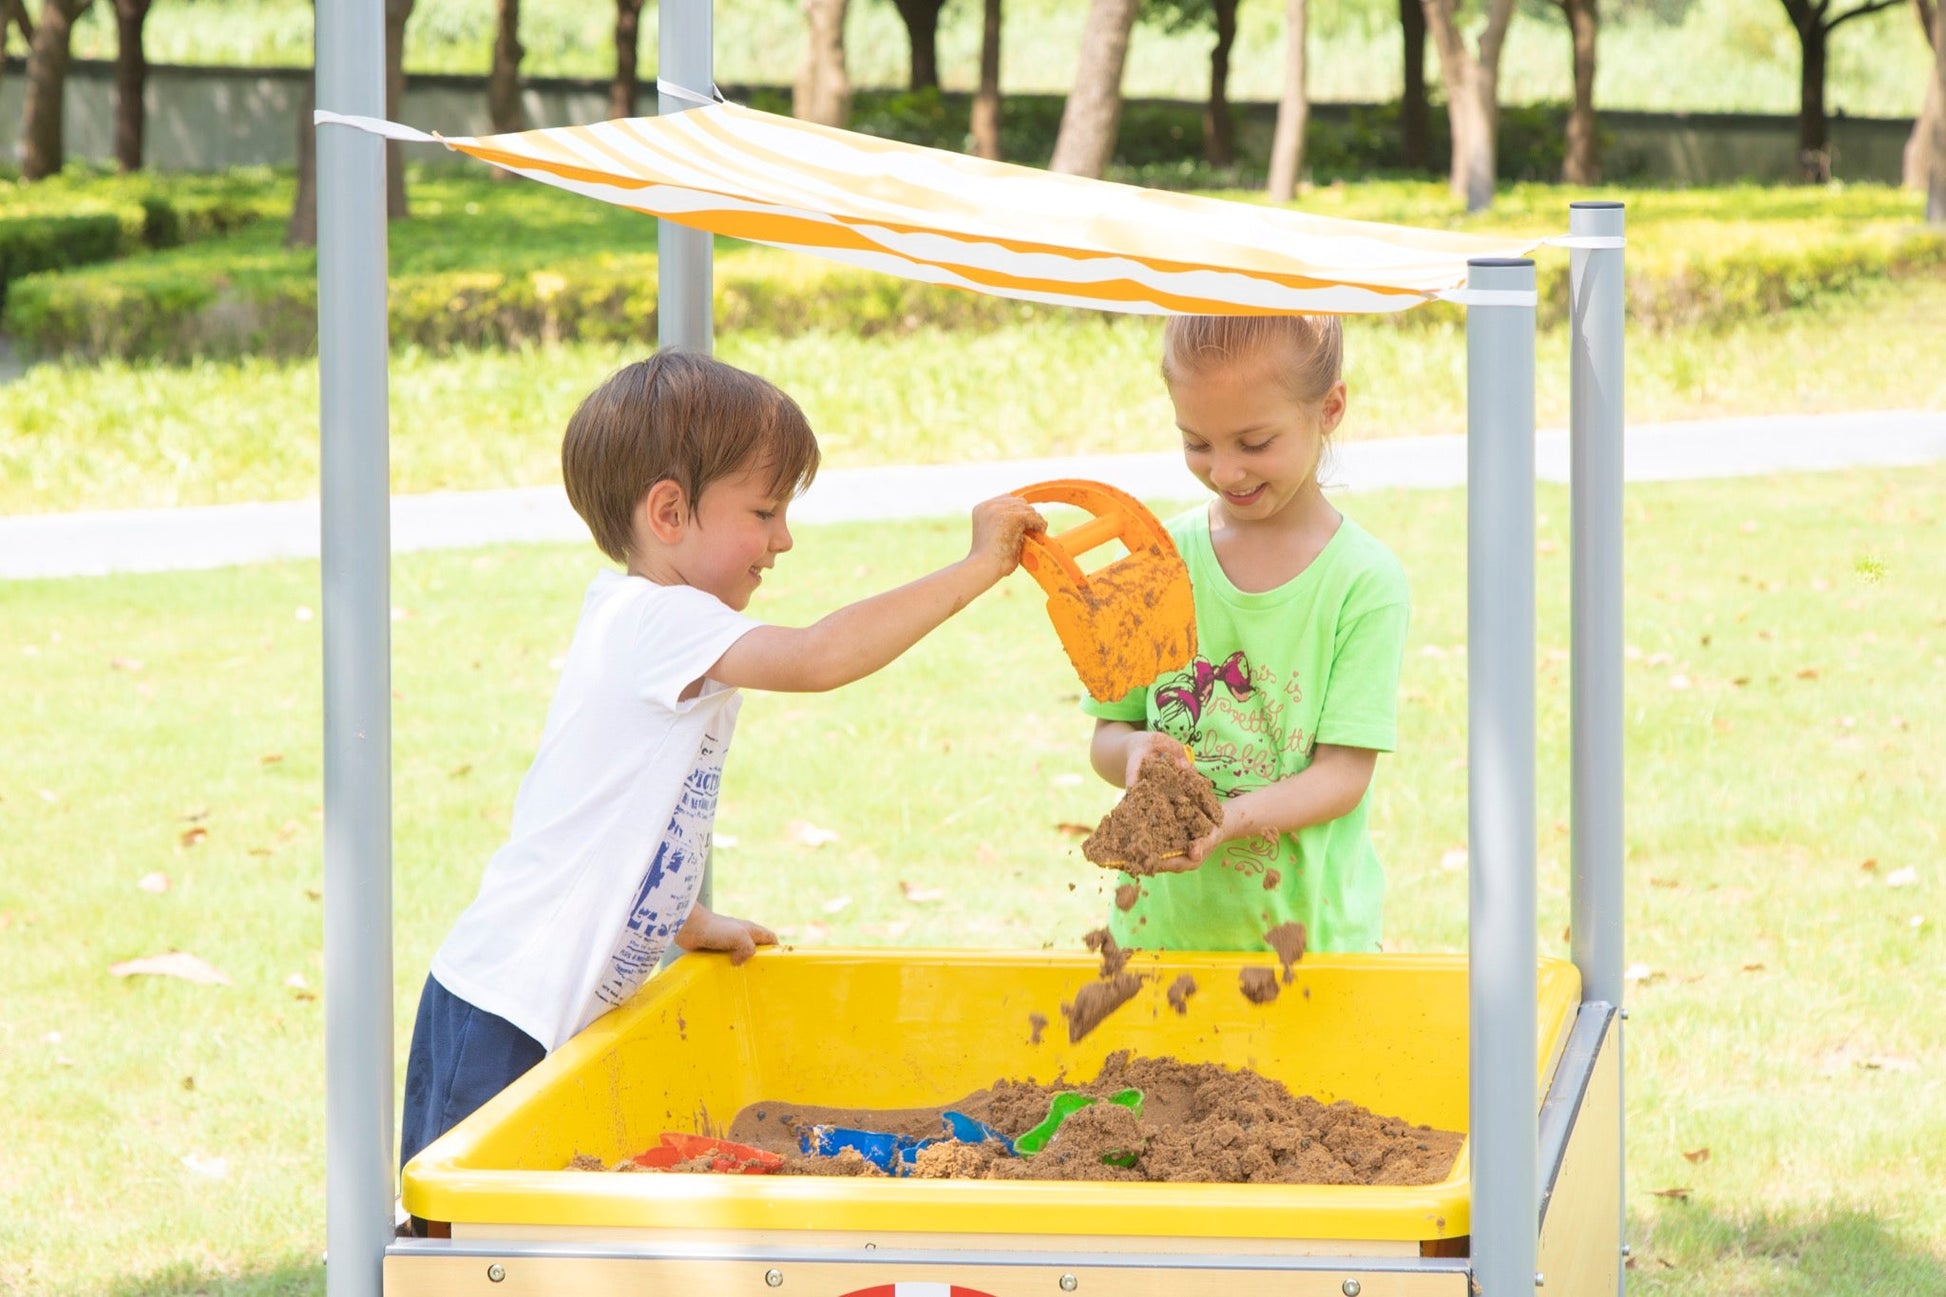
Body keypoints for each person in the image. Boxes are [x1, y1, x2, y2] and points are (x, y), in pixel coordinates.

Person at [401, 350, 1045, 1185]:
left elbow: (627, 802)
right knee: (469, 1247)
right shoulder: (657, 620)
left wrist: (682, 918)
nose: (783, 538)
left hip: (528, 1005)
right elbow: (820, 655)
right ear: (669, 511)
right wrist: (979, 567)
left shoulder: (662, 626)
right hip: (503, 1014)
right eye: (766, 509)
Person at [1083, 315, 1409, 954]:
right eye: (1196, 443)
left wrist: (1222, 821)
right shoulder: (1154, 561)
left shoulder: (1364, 581)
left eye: (1254, 443)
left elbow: (1343, 775)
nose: (1225, 471)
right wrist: (1130, 756)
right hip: (1158, 945)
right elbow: (1107, 736)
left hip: (1307, 949)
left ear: (1329, 408)